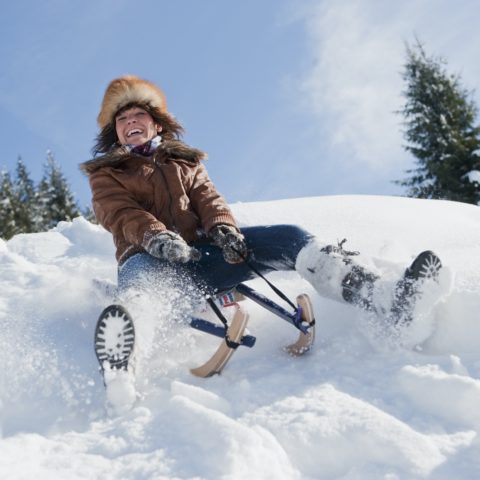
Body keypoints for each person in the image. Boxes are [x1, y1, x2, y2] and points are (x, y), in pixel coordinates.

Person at [80, 75, 442, 325]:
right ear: (116, 132)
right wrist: (156, 237)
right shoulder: (107, 172)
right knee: (143, 284)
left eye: (138, 114)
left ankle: (382, 298)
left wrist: (223, 229)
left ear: (157, 123)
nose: (131, 122)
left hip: (200, 258)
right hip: (150, 261)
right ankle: (127, 345)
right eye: (122, 119)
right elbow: (119, 212)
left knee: (289, 237)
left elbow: (208, 199)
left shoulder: (186, 162)